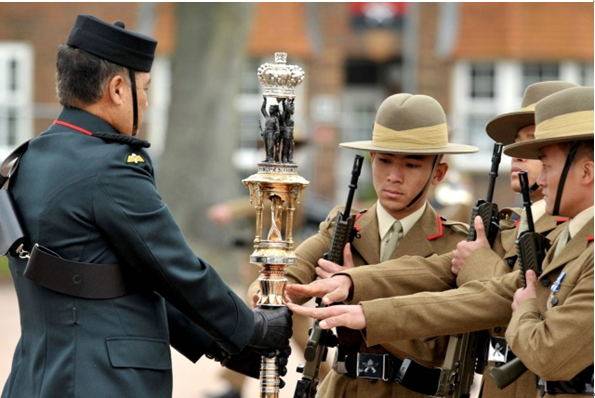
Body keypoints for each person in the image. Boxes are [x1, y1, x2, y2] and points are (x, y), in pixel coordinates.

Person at [0, 15, 292, 398]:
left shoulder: (26, 160)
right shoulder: (110, 166)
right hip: (103, 383)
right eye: (146, 88)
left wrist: (222, 346)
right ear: (118, 89)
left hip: (37, 378)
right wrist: (252, 329)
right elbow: (176, 269)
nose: (148, 102)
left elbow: (116, 281)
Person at [288, 86, 594, 397]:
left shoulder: (562, 239)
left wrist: (514, 295)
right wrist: (355, 288)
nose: (521, 159)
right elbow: (442, 273)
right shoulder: (526, 231)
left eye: (542, 156)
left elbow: (530, 330)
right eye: (384, 161)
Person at [250, 93, 477, 397]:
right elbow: (287, 275)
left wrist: (357, 304)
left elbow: (438, 344)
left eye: (411, 165)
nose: (393, 177)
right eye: (384, 161)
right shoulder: (344, 228)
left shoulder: (456, 245)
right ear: (372, 160)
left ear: (438, 173)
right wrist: (273, 292)